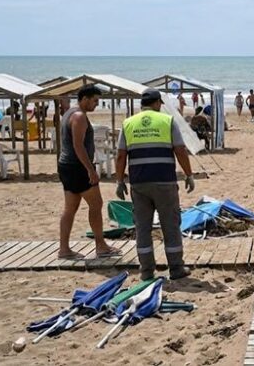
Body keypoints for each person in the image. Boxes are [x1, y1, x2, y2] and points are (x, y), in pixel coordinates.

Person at [115, 88, 194, 281]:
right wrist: (188, 175)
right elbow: (180, 150)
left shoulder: (128, 123)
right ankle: (176, 268)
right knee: (170, 225)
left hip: (139, 183)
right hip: (165, 181)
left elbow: (120, 155)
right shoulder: (167, 121)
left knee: (142, 228)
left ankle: (147, 271)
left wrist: (119, 180)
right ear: (158, 103)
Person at [57, 86, 120, 260]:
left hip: (66, 165)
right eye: (94, 101)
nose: (96, 105)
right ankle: (100, 246)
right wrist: (90, 169)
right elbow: (79, 146)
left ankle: (64, 249)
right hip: (77, 167)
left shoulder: (69, 113)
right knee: (96, 204)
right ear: (85, 98)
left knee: (70, 208)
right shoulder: (79, 116)